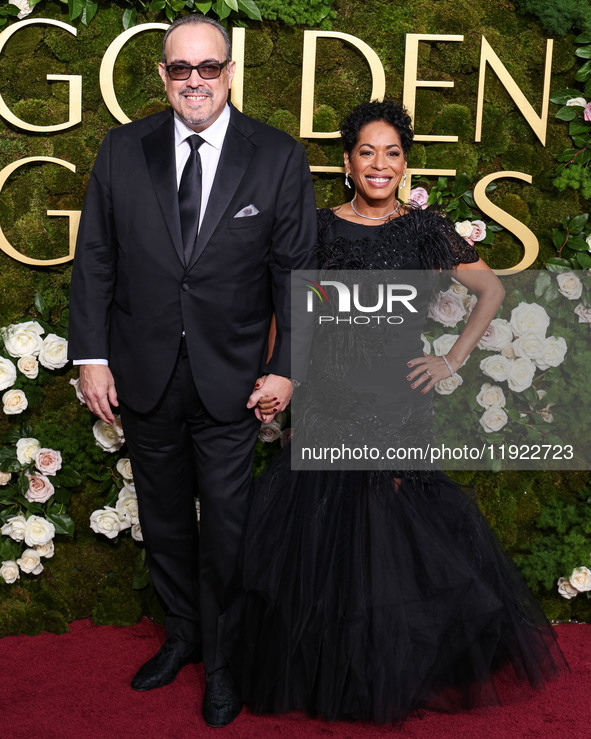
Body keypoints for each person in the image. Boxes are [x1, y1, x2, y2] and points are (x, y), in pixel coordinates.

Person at [235, 100, 568, 724]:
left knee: (393, 539)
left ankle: (392, 672)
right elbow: (295, 309)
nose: (379, 165)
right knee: (321, 538)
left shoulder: (425, 229)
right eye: (367, 152)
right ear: (346, 162)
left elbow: (492, 289)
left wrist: (453, 359)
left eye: (392, 154)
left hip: (396, 402)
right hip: (328, 400)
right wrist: (287, 377)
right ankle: (326, 673)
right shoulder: (316, 228)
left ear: (406, 166)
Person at [68, 15, 317, 728]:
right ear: (163, 77)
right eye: (181, 69)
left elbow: (294, 274)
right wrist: (91, 356)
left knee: (229, 528)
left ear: (230, 72)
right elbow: (96, 261)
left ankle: (227, 661)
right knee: (166, 521)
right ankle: (183, 633)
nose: (195, 81)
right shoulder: (122, 150)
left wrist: (285, 368)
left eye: (209, 67)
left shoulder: (274, 156)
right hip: (142, 375)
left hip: (232, 380)